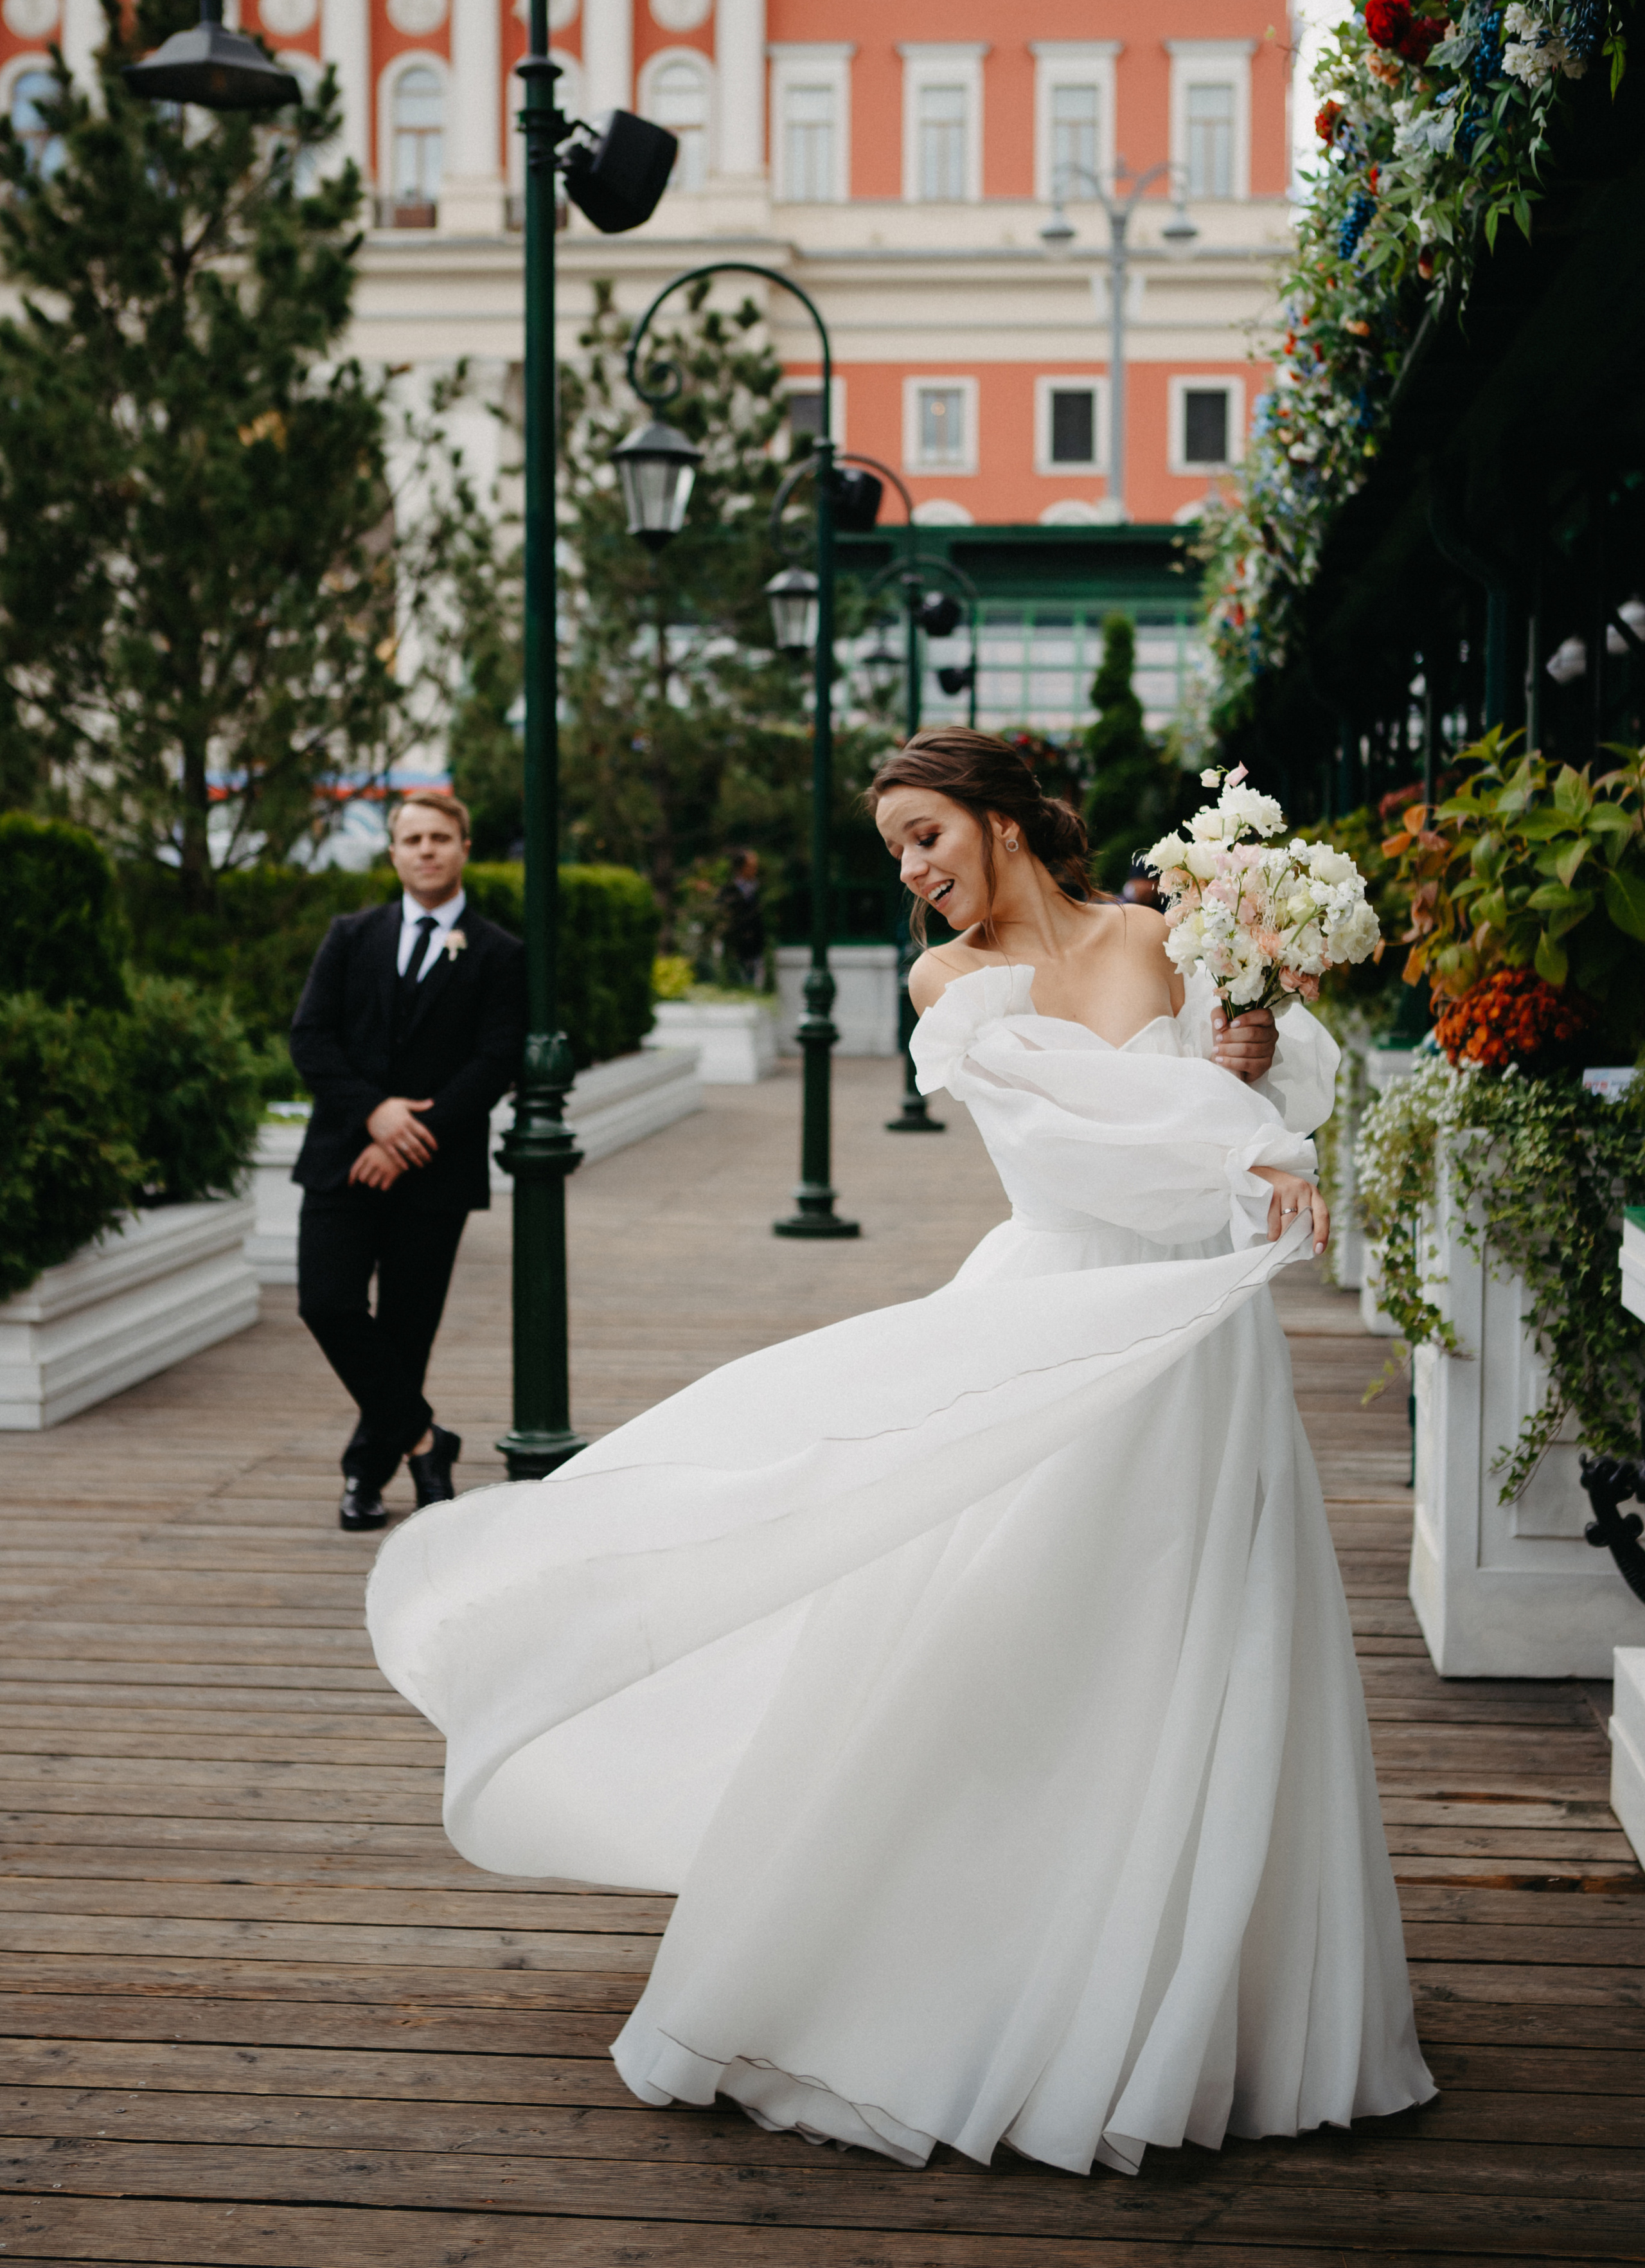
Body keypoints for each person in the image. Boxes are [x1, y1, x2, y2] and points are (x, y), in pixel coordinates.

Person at [366, 729, 1434, 2178]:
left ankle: (1199, 2007)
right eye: (896, 851)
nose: (915, 872)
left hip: (1200, 1346)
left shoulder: (1166, 936)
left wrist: (1250, 1062)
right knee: (1010, 1640)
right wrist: (1230, 1139)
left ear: (1002, 820)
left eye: (928, 834)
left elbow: (1263, 1109)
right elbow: (1081, 1152)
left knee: (1215, 1643)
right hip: (1059, 1315)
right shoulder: (952, 991)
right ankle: (962, 1972)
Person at [290, 791, 525, 1533]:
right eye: (412, 838)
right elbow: (311, 1038)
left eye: (440, 837)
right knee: (326, 1303)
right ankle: (427, 1440)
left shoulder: (498, 953)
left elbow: (494, 1061)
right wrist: (375, 1114)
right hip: (340, 1157)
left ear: (463, 848)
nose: (426, 849)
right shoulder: (350, 936)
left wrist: (412, 1137)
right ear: (392, 853)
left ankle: (365, 1474)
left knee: (406, 1331)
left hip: (436, 1170)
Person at [718, 849, 766, 987]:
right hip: (737, 944)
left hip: (758, 943)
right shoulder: (729, 890)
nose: (755, 869)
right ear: (740, 868)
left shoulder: (761, 889)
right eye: (751, 866)